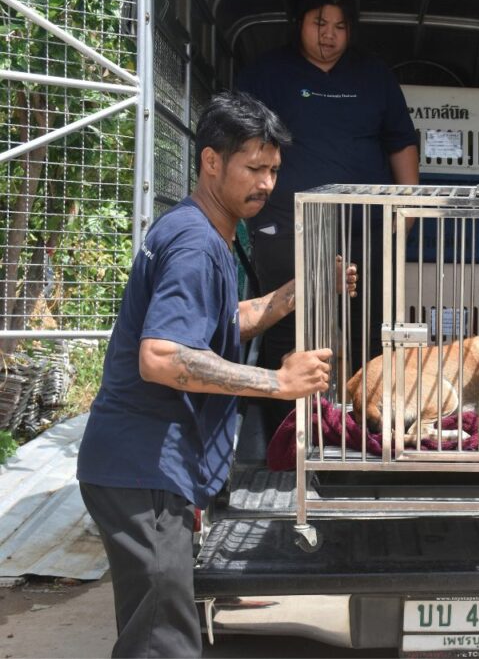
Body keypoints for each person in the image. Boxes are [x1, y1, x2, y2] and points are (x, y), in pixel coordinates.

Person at [76, 91, 355, 658]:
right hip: (142, 470)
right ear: (210, 161)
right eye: (253, 168)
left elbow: (222, 321)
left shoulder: (205, 232)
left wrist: (297, 293)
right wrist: (276, 383)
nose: (267, 184)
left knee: (160, 628)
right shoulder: (196, 244)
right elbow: (161, 356)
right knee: (162, 641)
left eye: (274, 170)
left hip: (146, 468)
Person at [236, 0, 419, 431]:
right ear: (299, 22)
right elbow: (240, 140)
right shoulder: (266, 73)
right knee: (284, 317)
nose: (329, 34)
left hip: (368, 224)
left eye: (339, 25)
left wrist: (410, 205)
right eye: (319, 22)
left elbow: (401, 142)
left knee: (369, 324)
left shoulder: (374, 74)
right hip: (286, 223)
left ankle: (366, 428)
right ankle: (287, 431)